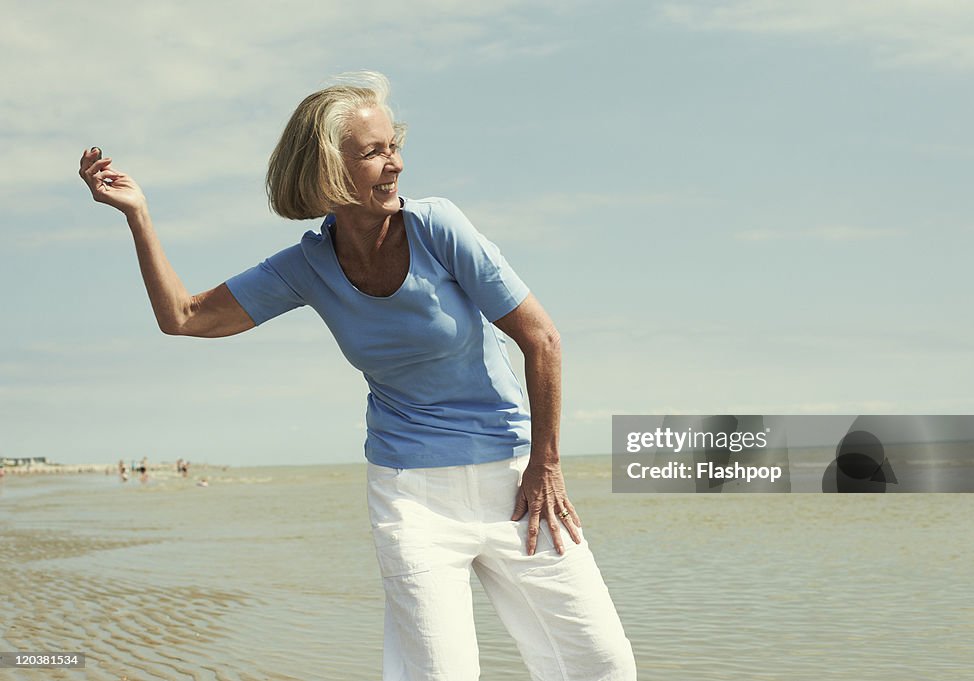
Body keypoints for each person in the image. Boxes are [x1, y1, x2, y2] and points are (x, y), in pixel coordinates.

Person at [78, 71, 635, 681]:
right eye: (374, 152)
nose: (395, 164)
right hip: (412, 496)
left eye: (393, 145)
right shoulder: (307, 265)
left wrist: (546, 465)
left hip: (516, 482)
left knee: (599, 662)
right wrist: (138, 214)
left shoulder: (438, 228)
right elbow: (184, 318)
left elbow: (542, 339)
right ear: (327, 171)